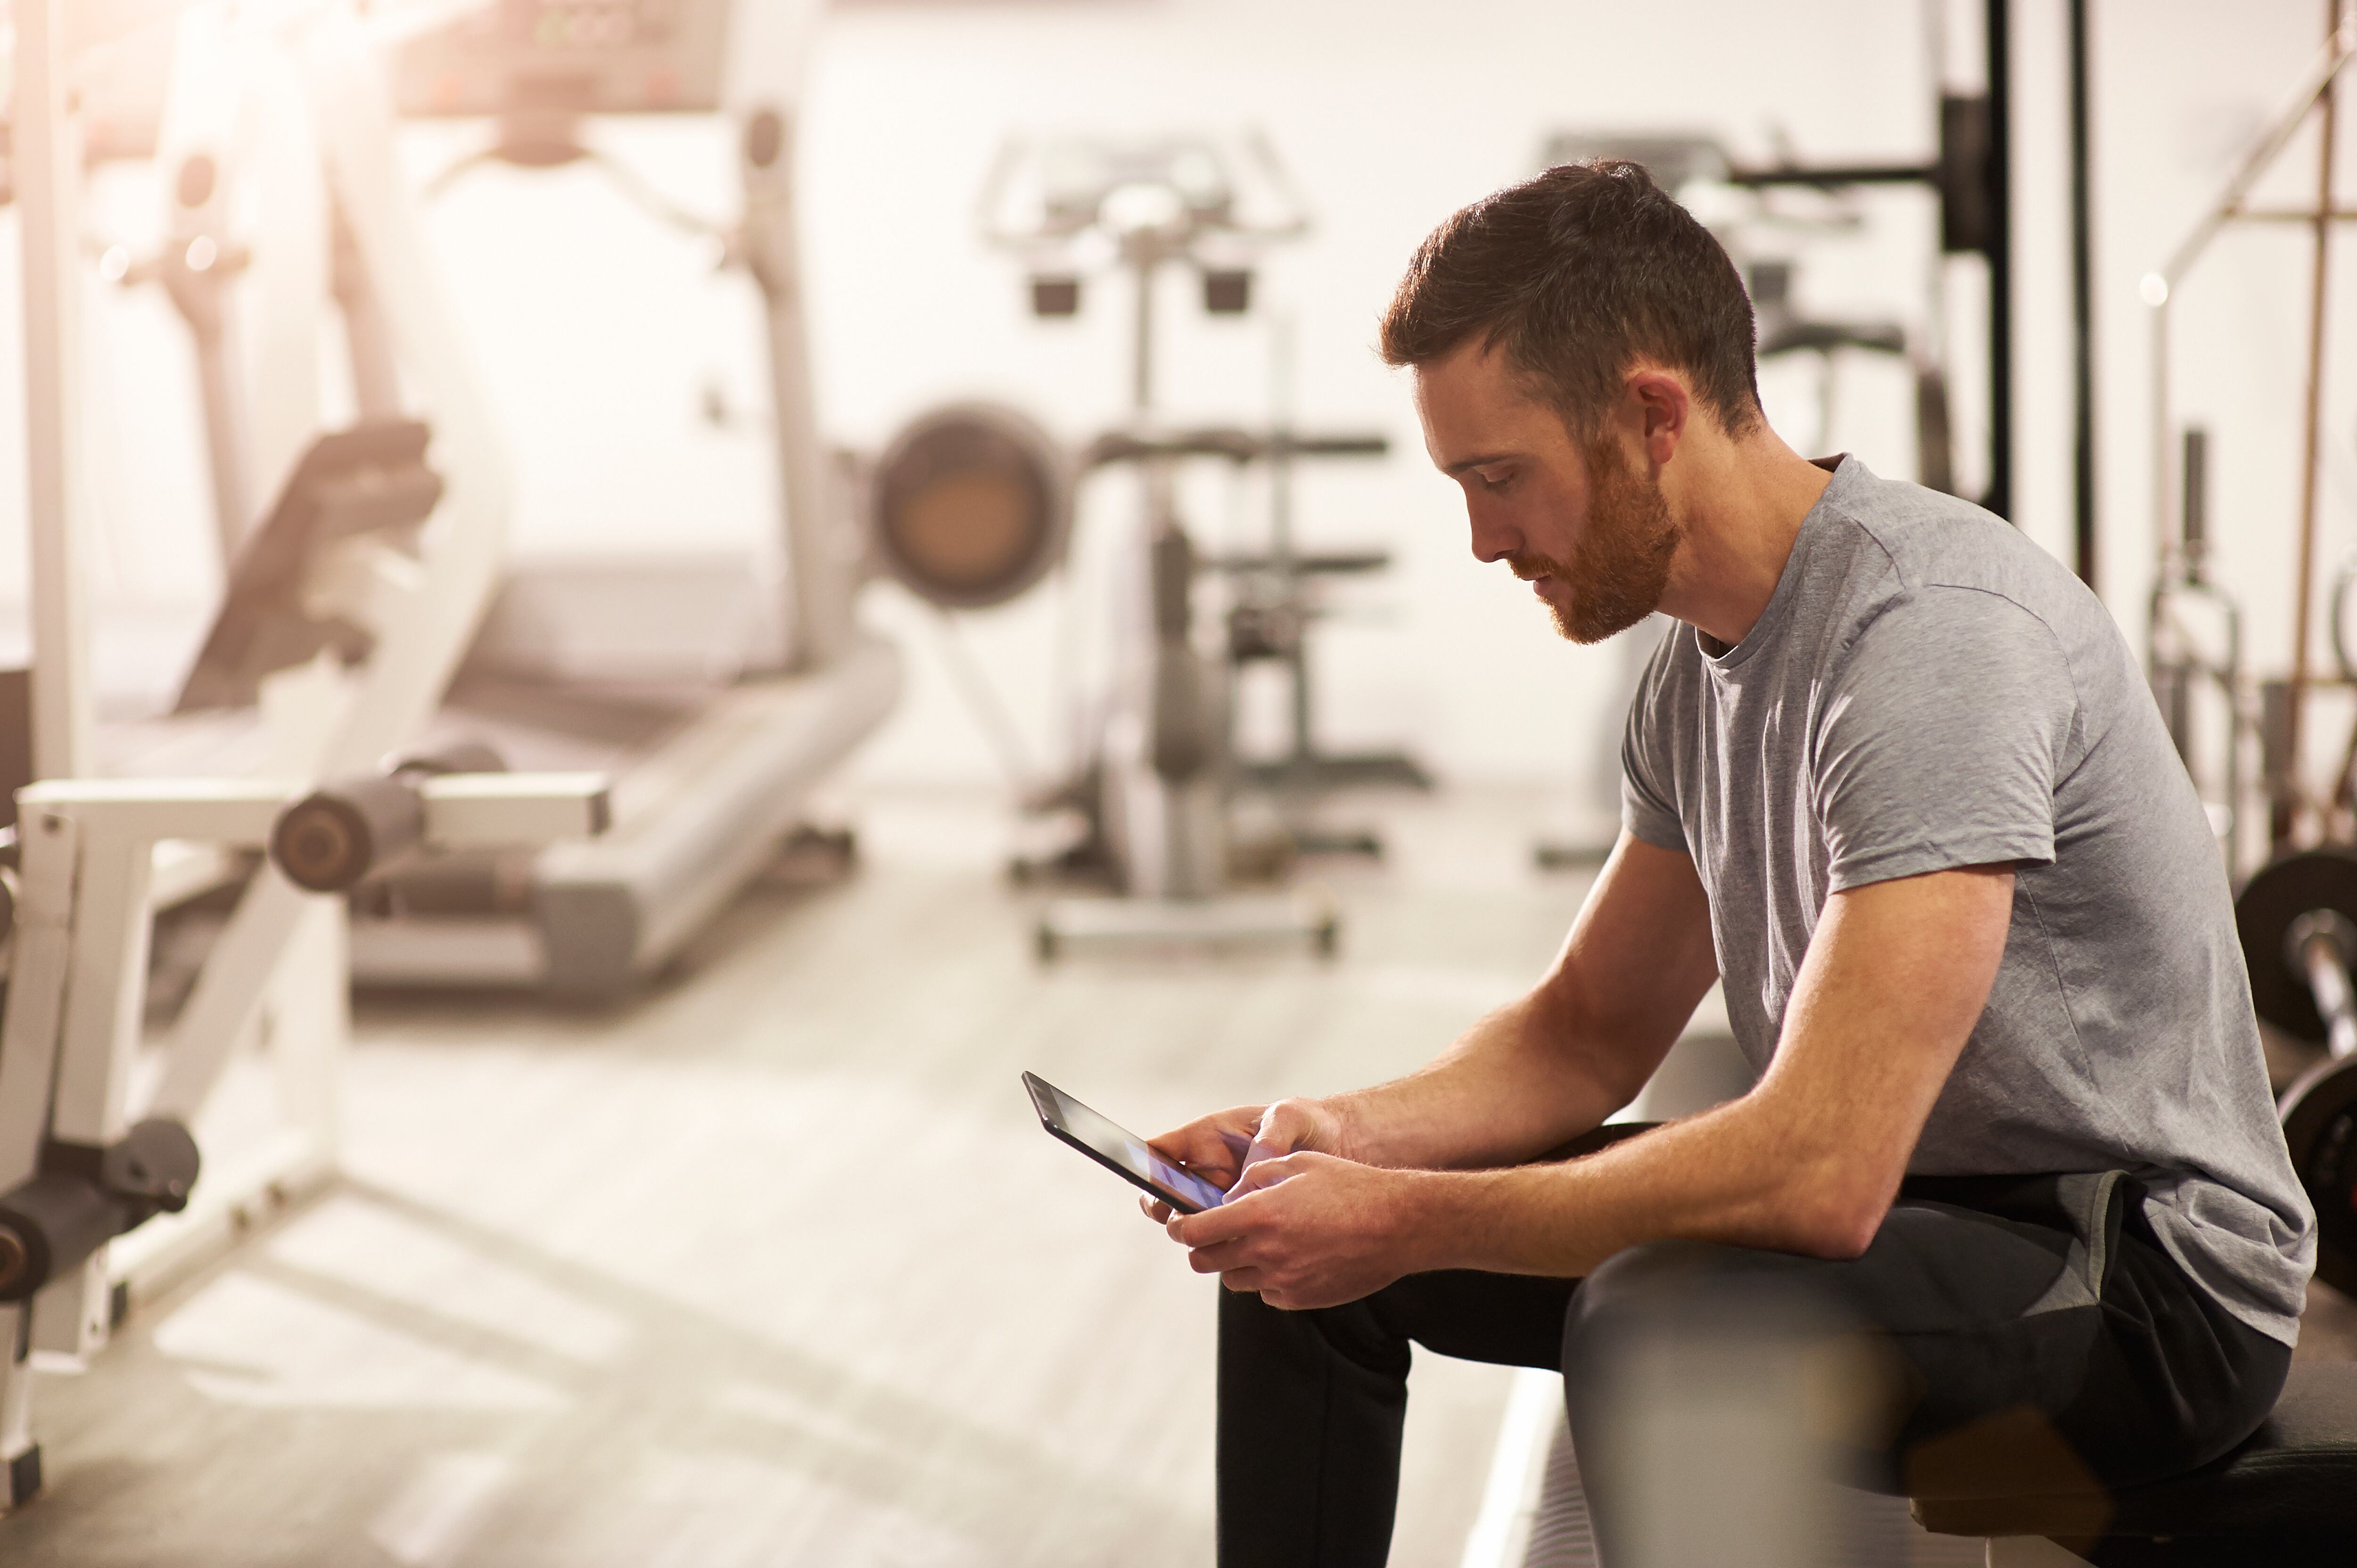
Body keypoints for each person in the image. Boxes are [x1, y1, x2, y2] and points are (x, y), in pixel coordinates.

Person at [1140, 161, 2316, 1568]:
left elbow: (1819, 1168)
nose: (1483, 539)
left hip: (2141, 1274)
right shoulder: (1691, 678)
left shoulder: (1928, 632)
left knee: (1657, 1325)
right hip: (1929, 1222)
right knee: (1295, 1264)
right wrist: (1332, 1143)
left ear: (1649, 415)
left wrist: (1409, 1215)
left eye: (1501, 479)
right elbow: (1582, 1035)